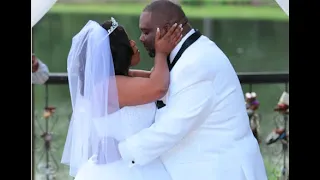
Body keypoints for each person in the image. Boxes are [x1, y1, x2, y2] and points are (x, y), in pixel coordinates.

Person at [116, 1, 268, 180]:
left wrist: (120, 152)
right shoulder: (189, 52)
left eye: (146, 31)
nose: (141, 39)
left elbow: (172, 128)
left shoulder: (197, 63)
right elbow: (157, 83)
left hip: (222, 170)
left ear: (167, 30)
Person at [61, 18, 182, 180]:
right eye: (127, 40)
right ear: (117, 50)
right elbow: (158, 87)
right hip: (122, 171)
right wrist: (161, 52)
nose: (133, 43)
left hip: (138, 163)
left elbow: (156, 77)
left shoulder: (118, 79)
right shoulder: (108, 86)